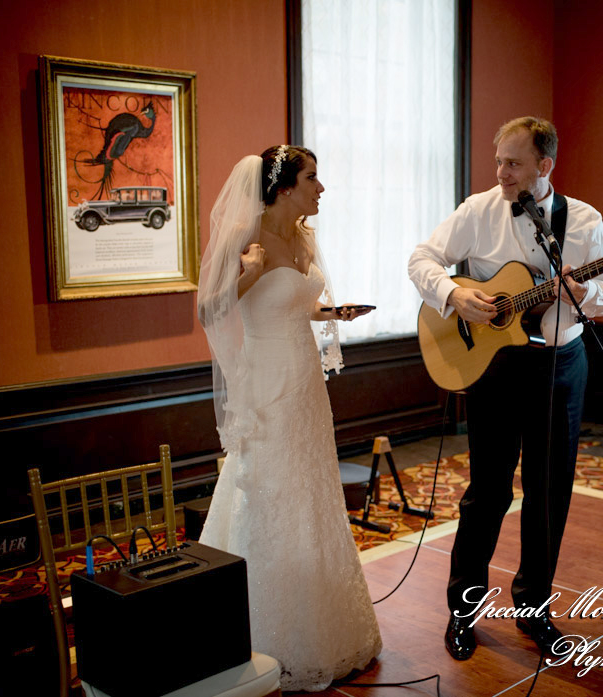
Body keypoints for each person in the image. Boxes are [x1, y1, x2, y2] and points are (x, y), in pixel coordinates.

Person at [408, 116, 603, 660]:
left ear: (544, 166)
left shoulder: (583, 220)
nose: (500, 172)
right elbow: (422, 259)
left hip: (561, 365)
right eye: (498, 160)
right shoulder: (477, 211)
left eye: (513, 163)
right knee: (488, 493)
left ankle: (534, 610)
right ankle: (463, 611)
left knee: (550, 494)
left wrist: (584, 292)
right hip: (497, 369)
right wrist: (455, 297)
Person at [197, 146, 381, 690]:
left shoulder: (302, 235)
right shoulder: (245, 237)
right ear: (282, 187)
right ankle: (264, 629)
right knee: (270, 492)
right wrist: (250, 273)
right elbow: (211, 310)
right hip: (268, 385)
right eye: (312, 179)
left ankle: (324, 622)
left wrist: (331, 312)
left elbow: (296, 304)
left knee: (311, 489)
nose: (321, 189)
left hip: (306, 386)